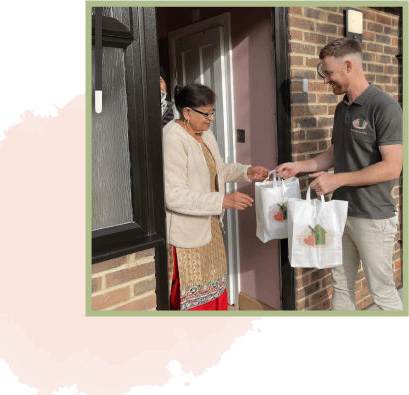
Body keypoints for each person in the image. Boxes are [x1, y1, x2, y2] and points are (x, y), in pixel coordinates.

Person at [275, 38, 403, 311]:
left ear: (348, 66)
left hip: (373, 216)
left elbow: (393, 167)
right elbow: (334, 154)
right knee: (341, 285)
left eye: (329, 73)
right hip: (340, 213)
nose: (325, 81)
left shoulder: (385, 107)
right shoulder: (342, 108)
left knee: (381, 292)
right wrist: (300, 166)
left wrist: (338, 179)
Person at [163, 83, 270, 311]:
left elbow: (215, 168)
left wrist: (246, 171)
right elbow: (173, 195)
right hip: (187, 236)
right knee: (193, 300)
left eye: (213, 111)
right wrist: (223, 201)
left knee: (213, 292)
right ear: (188, 112)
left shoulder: (205, 133)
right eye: (207, 113)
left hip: (210, 227)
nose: (211, 118)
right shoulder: (172, 139)